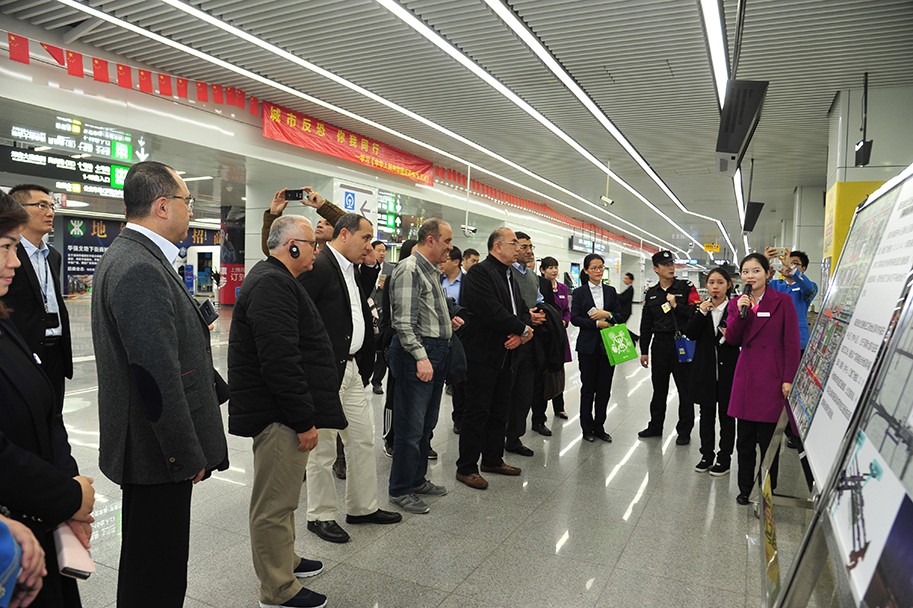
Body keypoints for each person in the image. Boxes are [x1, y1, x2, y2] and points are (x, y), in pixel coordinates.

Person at [91, 161, 229, 607]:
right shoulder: (140, 267)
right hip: (155, 452)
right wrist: (183, 454)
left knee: (148, 563)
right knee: (157, 573)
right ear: (163, 205)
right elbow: (156, 377)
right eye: (188, 201)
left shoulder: (134, 256)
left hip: (149, 446)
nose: (192, 210)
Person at [229, 215, 346, 608]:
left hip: (280, 411)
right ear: (292, 245)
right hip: (278, 415)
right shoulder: (271, 284)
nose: (317, 250)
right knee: (273, 505)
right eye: (313, 243)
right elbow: (279, 360)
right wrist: (303, 419)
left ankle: (286, 561)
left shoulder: (277, 280)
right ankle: (277, 589)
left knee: (283, 499)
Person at [0, 191, 95, 608]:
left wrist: (69, 489)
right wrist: (68, 497)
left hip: (44, 521)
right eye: (6, 248)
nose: (15, 262)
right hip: (16, 541)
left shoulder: (6, 324)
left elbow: (47, 412)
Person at [299, 212, 401, 544]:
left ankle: (362, 507)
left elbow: (355, 303)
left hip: (353, 367)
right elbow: (301, 315)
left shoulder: (350, 268)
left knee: (361, 439)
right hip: (326, 370)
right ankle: (320, 515)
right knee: (324, 449)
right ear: (344, 235)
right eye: (365, 238)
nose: (369, 245)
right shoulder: (319, 266)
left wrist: (370, 264)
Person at [455, 228, 533, 490]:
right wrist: (522, 329)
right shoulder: (480, 273)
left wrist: (522, 331)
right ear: (498, 246)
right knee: (477, 411)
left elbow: (521, 308)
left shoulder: (509, 275)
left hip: (507, 354)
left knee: (500, 409)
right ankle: (467, 467)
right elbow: (490, 311)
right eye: (514, 244)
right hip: (483, 354)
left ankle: (492, 459)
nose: (519, 249)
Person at [387, 219, 455, 514]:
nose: (450, 247)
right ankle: (400, 488)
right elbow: (403, 322)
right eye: (447, 241)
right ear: (430, 240)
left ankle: (417, 479)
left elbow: (424, 312)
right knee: (410, 426)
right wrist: (420, 356)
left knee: (427, 423)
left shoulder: (431, 271)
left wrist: (447, 322)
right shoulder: (410, 269)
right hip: (418, 354)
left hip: (436, 352)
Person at [725, 253, 800, 505]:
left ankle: (768, 488)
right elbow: (733, 338)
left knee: (769, 443)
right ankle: (744, 488)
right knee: (744, 441)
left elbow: (791, 343)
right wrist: (741, 312)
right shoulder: (736, 303)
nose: (750, 276)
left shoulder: (783, 301)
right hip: (746, 379)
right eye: (745, 271)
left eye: (756, 270)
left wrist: (788, 378)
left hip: (772, 380)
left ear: (768, 274)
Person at [0, 185, 72, 415]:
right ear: (18, 209)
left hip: (55, 350)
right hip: (23, 349)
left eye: (52, 206)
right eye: (41, 206)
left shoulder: (53, 256)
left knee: (53, 414)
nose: (50, 212)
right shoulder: (10, 257)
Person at [638, 250, 701, 443]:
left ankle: (684, 431)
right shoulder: (651, 293)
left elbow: (697, 313)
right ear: (656, 269)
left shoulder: (686, 287)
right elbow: (646, 323)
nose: (671, 267)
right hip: (660, 346)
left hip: (681, 345)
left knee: (685, 390)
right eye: (665, 265)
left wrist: (676, 305)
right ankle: (655, 426)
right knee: (659, 389)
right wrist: (644, 350)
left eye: (672, 263)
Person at [685, 268, 739, 477]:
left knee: (727, 417)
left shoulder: (735, 309)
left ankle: (724, 458)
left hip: (729, 372)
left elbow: (742, 337)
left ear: (728, 285)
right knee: (706, 415)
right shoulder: (700, 309)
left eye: (720, 282)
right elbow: (690, 334)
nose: (715, 287)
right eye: (711, 283)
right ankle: (706, 455)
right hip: (705, 371)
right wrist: (701, 313)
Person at [570, 254, 622, 443]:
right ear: (586, 270)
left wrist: (607, 314)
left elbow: (620, 316)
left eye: (601, 267)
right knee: (588, 389)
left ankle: (600, 426)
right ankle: (587, 428)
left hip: (609, 345)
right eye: (594, 268)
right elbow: (575, 318)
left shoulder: (611, 291)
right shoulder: (579, 293)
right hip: (588, 346)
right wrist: (596, 324)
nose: (598, 271)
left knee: (604, 389)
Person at [505, 232, 547, 453]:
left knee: (524, 392)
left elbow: (538, 300)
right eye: (524, 246)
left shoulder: (531, 276)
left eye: (531, 246)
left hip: (530, 340)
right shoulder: (506, 273)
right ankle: (498, 436)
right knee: (506, 392)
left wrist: (540, 314)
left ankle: (514, 438)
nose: (529, 251)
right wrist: (526, 317)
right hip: (510, 340)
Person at [381, 239, 418, 454]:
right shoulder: (395, 276)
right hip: (398, 340)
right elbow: (388, 313)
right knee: (394, 394)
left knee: (416, 397)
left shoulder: (425, 276)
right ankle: (390, 437)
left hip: (420, 344)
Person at [535, 257, 572, 420]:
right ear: (542, 270)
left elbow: (567, 310)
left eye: (556, 267)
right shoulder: (539, 286)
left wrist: (565, 321)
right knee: (545, 371)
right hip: (546, 334)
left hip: (560, 334)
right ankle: (539, 413)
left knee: (559, 369)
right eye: (550, 268)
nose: (554, 271)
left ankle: (560, 407)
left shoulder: (563, 288)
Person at [370, 240, 393, 394]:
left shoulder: (391, 269)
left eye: (384, 250)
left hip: (384, 314)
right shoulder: (364, 267)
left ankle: (377, 381)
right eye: (379, 250)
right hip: (369, 311)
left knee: (381, 350)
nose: (382, 253)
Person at [618, 272, 640, 343]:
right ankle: (635, 337)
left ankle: (635, 337)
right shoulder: (629, 288)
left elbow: (624, 299)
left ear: (630, 280)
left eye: (626, 278)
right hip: (625, 311)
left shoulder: (630, 289)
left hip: (625, 311)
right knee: (621, 326)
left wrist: (616, 295)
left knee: (620, 326)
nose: (624, 280)